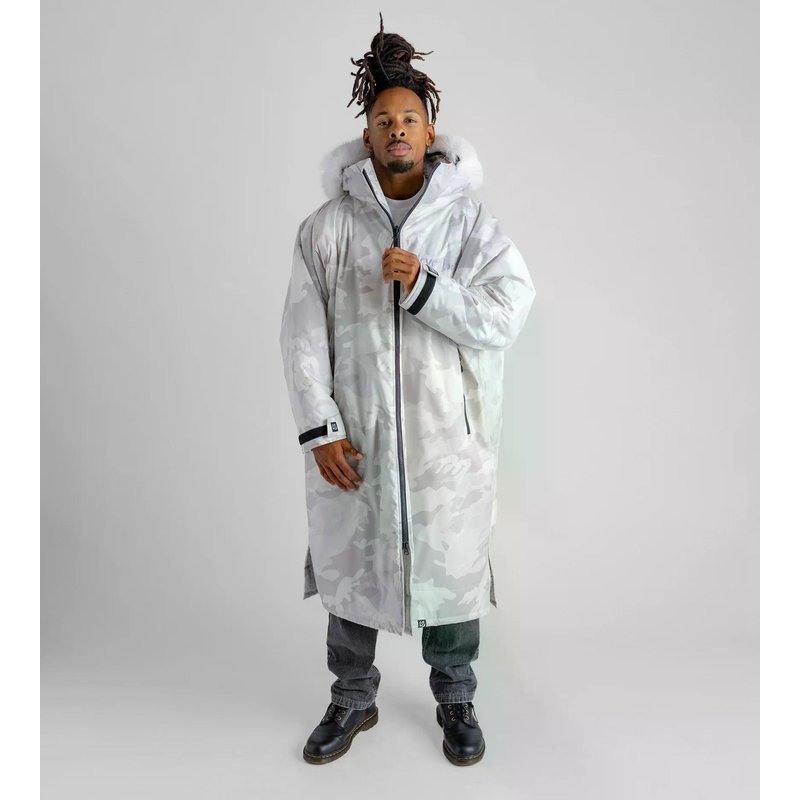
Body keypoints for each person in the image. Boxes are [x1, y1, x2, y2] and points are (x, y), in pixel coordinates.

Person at [279, 13, 535, 766]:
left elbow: (508, 312)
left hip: (445, 443)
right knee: (351, 568)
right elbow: (301, 335)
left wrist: (427, 288)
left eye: (410, 119)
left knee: (450, 571)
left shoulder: (469, 225)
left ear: (429, 133)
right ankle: (352, 698)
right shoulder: (327, 229)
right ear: (367, 138)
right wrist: (320, 429)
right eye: (384, 120)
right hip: (355, 437)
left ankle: (456, 698)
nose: (397, 129)